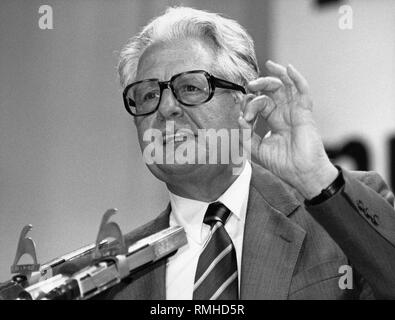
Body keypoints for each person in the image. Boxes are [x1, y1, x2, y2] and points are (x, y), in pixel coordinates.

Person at [98, 6, 395, 300]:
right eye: (149, 95)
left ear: (244, 101)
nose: (166, 108)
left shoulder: (338, 216)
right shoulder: (110, 275)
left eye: (189, 87)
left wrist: (315, 176)